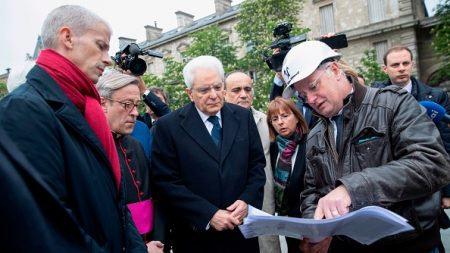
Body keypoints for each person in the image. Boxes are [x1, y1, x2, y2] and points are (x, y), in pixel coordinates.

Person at [280, 40, 450, 253]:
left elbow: (433, 163)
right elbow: (312, 191)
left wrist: (352, 189)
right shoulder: (314, 135)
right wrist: (317, 231)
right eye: (303, 95)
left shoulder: (393, 104)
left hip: (411, 244)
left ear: (334, 70)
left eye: (313, 86)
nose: (311, 99)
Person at [0, 5, 146, 252]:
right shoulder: (22, 109)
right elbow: (47, 226)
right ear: (67, 38)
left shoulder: (85, 106)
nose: (107, 59)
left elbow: (116, 204)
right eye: (101, 45)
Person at [151, 55, 266, 253]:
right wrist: (209, 214)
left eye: (218, 87)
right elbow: (166, 182)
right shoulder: (168, 127)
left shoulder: (243, 116)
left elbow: (256, 166)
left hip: (240, 235)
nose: (213, 95)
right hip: (195, 237)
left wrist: (246, 201)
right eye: (204, 90)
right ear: (189, 93)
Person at [372, 45, 450, 251]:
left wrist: (447, 191)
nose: (401, 68)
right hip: (390, 189)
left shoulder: (436, 97)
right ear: (384, 68)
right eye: (395, 65)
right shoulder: (373, 97)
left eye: (405, 63)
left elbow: (445, 144)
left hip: (428, 190)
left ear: (412, 65)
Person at [96, 70, 164, 253]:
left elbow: (154, 197)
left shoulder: (135, 145)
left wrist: (159, 239)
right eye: (127, 105)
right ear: (103, 103)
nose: (135, 113)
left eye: (136, 105)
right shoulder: (92, 149)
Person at [224, 71, 281, 253]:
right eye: (236, 90)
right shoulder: (216, 126)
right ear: (224, 93)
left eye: (248, 89)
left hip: (264, 204)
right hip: (230, 207)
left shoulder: (267, 122)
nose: (243, 94)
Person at [266, 97, 309, 253]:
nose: (280, 122)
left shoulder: (310, 142)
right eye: (274, 119)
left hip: (309, 220)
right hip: (286, 221)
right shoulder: (274, 147)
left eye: (285, 116)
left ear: (297, 117)